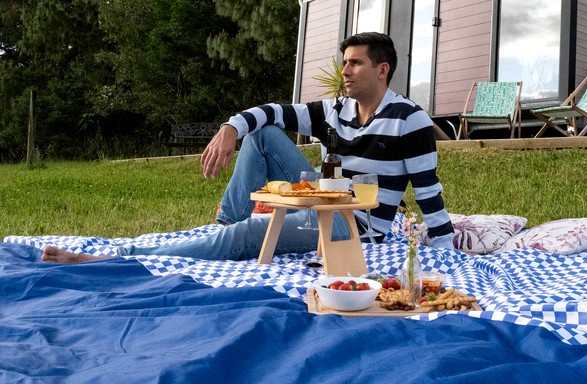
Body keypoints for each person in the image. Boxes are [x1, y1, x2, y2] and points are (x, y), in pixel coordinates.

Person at [43, 32, 454, 264]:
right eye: (344, 62)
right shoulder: (334, 110)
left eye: (355, 63)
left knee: (253, 234)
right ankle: (226, 226)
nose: (344, 70)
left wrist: (446, 251)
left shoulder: (410, 119)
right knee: (262, 133)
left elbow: (428, 191)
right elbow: (273, 112)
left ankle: (122, 259)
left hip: (356, 225)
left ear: (382, 70)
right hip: (326, 197)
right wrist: (230, 128)